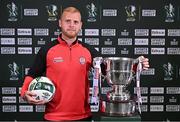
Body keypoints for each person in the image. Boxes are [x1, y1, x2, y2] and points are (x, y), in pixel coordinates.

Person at [20, 6, 149, 121]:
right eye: (67, 21)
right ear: (60, 23)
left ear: (80, 25)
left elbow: (108, 70)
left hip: (83, 116)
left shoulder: (88, 51)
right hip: (53, 117)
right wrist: (25, 93)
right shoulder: (47, 49)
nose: (71, 25)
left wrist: (137, 65)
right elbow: (32, 74)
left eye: (75, 22)